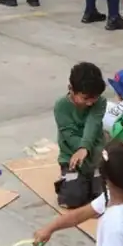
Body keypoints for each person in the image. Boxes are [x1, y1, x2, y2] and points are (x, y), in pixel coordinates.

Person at [53, 62, 107, 209]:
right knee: (72, 199)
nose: (90, 103)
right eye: (85, 98)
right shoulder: (61, 106)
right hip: (72, 157)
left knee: (103, 198)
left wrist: (85, 148)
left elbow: (93, 124)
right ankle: (74, 180)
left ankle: (91, 179)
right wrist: (81, 150)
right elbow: (69, 135)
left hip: (96, 155)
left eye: (94, 98)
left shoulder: (100, 102)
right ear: (71, 89)